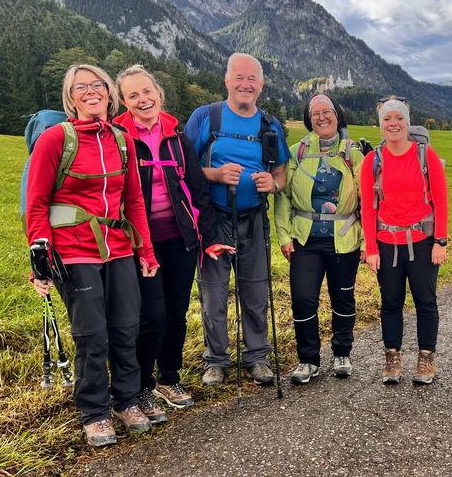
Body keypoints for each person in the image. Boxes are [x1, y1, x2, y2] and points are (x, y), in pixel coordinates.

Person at [26, 64, 158, 446]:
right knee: (91, 335)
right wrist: (39, 259)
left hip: (117, 247)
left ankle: (127, 401)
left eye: (96, 85)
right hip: (73, 248)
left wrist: (145, 250)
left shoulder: (121, 140)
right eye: (80, 87)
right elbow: (37, 202)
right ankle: (94, 411)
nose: (90, 91)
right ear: (71, 97)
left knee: (126, 327)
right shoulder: (55, 140)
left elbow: (133, 199)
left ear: (107, 92)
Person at [114, 65, 234, 421]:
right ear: (123, 101)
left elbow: (198, 192)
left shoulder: (177, 140)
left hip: (181, 241)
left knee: (176, 315)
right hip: (139, 243)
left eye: (147, 91)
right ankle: (141, 388)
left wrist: (209, 239)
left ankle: (168, 378)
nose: (143, 99)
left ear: (158, 93)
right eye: (133, 95)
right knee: (149, 317)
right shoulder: (118, 138)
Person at [184, 53, 292, 387]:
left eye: (252, 79)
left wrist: (272, 184)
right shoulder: (206, 117)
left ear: (261, 85)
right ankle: (216, 360)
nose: (246, 84)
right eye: (239, 77)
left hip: (254, 220)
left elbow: (281, 172)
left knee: (256, 291)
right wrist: (214, 174)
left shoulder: (269, 125)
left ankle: (257, 357)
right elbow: (182, 168)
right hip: (213, 221)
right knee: (214, 294)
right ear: (227, 80)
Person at [274, 94, 364, 384]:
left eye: (328, 112)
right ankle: (308, 360)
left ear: (338, 116)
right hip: (304, 239)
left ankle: (342, 353)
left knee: (343, 298)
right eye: (316, 114)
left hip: (344, 239)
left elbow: (367, 199)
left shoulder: (353, 152)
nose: (322, 118)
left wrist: (367, 239)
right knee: (302, 300)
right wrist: (284, 237)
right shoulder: (296, 152)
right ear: (308, 119)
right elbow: (283, 199)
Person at [360, 96, 448, 385]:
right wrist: (371, 248)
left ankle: (426, 357)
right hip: (386, 242)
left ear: (407, 123)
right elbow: (368, 206)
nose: (393, 123)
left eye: (398, 118)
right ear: (381, 125)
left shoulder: (425, 155)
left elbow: (441, 199)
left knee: (425, 301)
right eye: (387, 119)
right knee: (391, 302)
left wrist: (440, 241)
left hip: (422, 241)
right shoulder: (373, 160)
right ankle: (392, 356)